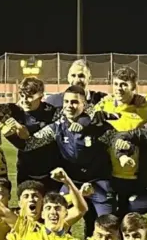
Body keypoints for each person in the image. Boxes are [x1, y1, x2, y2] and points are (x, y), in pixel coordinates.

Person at [20, 85, 122, 230]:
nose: (69, 106)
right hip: (71, 184)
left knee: (107, 226)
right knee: (57, 221)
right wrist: (13, 132)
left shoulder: (98, 126)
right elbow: (30, 143)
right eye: (66, 102)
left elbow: (119, 140)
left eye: (74, 102)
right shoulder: (58, 126)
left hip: (99, 183)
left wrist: (124, 152)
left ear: (84, 105)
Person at [96, 66, 147, 215]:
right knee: (103, 216)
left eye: (124, 85)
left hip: (132, 174)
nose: (119, 88)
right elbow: (89, 115)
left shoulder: (145, 108)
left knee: (128, 217)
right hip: (106, 172)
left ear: (133, 87)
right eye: (116, 84)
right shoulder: (104, 105)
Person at [0, 77, 61, 192]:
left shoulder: (52, 113)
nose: (25, 100)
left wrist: (22, 133)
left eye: (30, 97)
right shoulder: (14, 111)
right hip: (25, 172)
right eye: (22, 95)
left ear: (41, 96)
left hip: (50, 173)